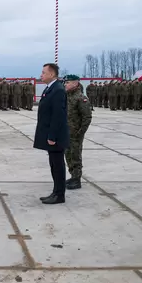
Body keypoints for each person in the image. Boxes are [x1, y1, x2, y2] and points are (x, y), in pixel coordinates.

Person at [34, 63, 69, 205]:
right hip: (50, 133)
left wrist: (52, 136)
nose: (41, 75)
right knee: (54, 165)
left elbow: (58, 116)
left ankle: (59, 195)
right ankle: (56, 192)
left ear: (52, 74)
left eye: (43, 72)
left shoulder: (58, 90)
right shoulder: (51, 88)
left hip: (55, 136)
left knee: (58, 165)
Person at [62, 75, 92, 190]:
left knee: (75, 155)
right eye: (65, 82)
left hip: (75, 134)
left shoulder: (81, 98)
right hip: (66, 132)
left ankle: (77, 179)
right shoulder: (67, 96)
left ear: (75, 83)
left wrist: (80, 133)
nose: (65, 84)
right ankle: (73, 176)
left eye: (68, 82)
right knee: (68, 154)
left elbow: (87, 117)